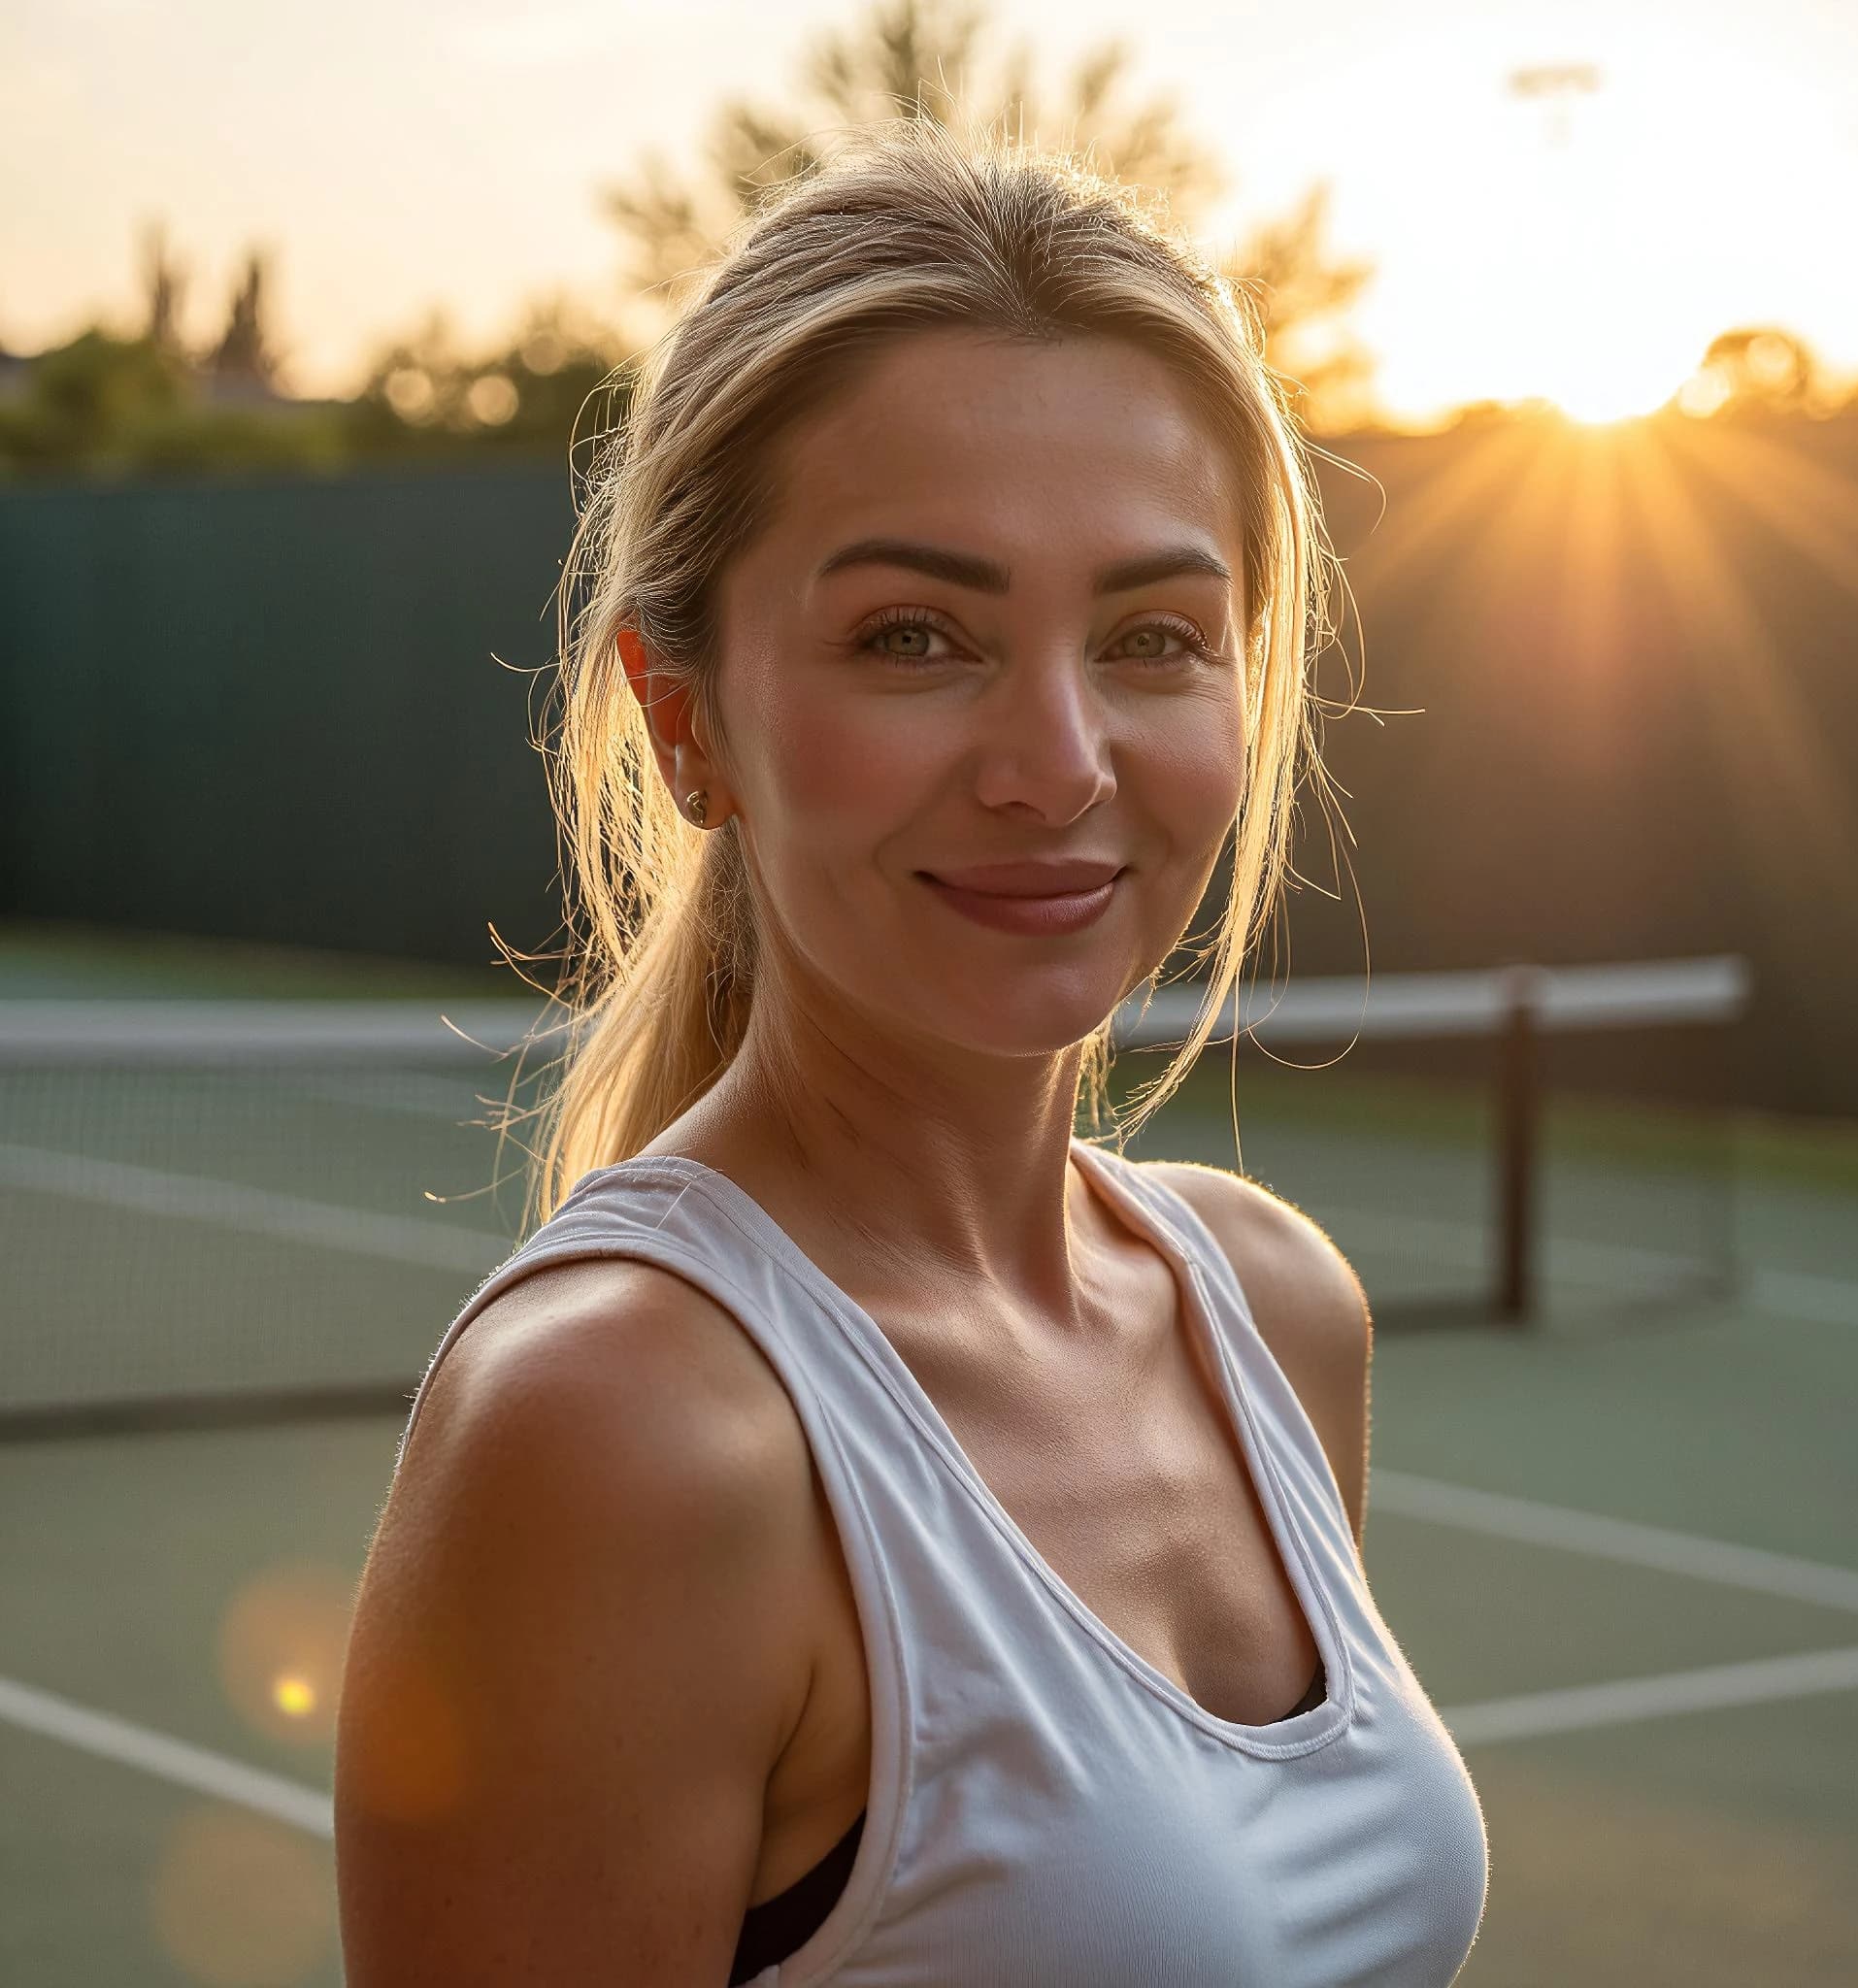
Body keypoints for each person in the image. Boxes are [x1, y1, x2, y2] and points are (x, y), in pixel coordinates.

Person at [334, 116, 1488, 1986]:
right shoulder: (622, 1432)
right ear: (685, 716)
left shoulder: (1275, 1311)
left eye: (1154, 636)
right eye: (916, 634)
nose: (1059, 762)